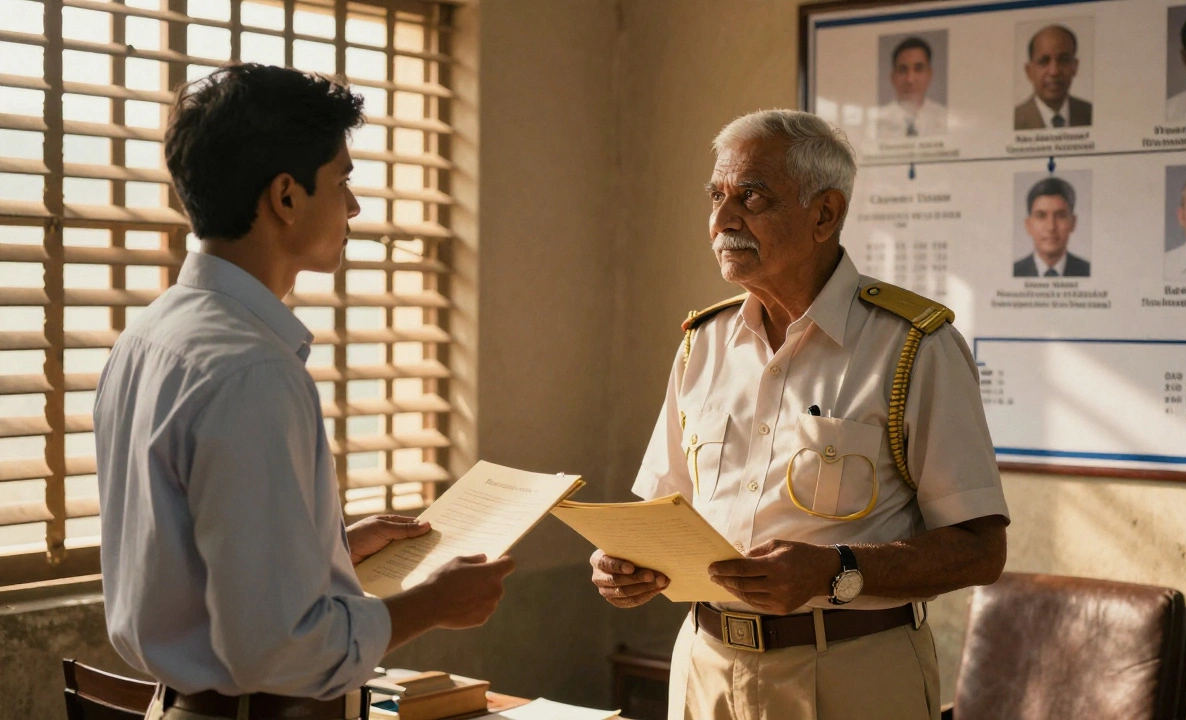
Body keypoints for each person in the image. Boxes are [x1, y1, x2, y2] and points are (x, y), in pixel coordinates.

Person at [94, 64, 514, 720]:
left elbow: (193, 561)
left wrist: (330, 547)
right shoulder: (251, 371)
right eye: (343, 181)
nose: (353, 207)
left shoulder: (151, 335)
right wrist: (432, 604)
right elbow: (277, 649)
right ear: (286, 197)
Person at [588, 110, 1008, 720]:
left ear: (824, 214)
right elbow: (663, 513)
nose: (722, 221)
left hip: (850, 675)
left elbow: (980, 550)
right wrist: (624, 565)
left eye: (751, 197)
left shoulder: (913, 346)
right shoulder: (701, 343)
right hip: (704, 671)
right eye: (716, 196)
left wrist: (835, 571)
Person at [1014, 24, 1093, 130]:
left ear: (1075, 67)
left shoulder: (1091, 114)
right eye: (1043, 61)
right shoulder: (1015, 120)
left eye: (1063, 60)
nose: (1054, 71)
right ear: (1029, 71)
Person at [1013, 176, 1090, 277]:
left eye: (1060, 216)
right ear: (1028, 225)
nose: (1051, 227)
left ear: (1073, 223)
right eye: (1041, 216)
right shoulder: (1015, 272)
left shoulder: (1087, 271)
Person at [873, 37, 947, 138]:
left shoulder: (944, 118)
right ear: (893, 77)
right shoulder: (876, 122)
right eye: (902, 70)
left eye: (918, 69)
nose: (910, 79)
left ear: (930, 74)